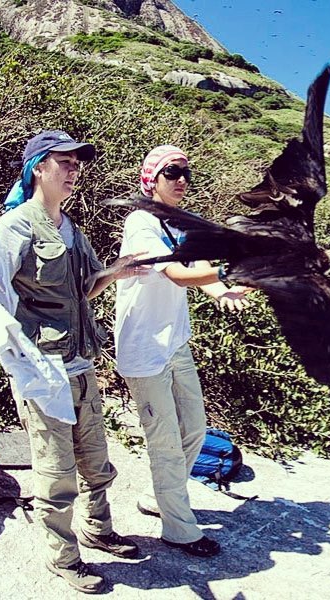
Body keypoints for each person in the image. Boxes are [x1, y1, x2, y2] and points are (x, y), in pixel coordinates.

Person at [0, 130, 143, 594]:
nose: (75, 170)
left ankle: (98, 530)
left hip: (80, 365)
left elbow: (84, 288)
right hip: (44, 373)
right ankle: (64, 556)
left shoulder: (71, 228)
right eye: (66, 162)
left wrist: (113, 273)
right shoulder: (16, 227)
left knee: (96, 462)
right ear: (39, 166)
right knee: (56, 471)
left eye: (79, 163)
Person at [114, 145, 249, 558]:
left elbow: (197, 268)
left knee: (194, 428)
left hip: (174, 344)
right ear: (151, 178)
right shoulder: (141, 223)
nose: (181, 180)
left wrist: (222, 289)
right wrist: (228, 270)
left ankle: (160, 498)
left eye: (186, 173)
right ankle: (179, 528)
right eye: (172, 172)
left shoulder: (180, 224)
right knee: (166, 441)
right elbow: (175, 274)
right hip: (144, 350)